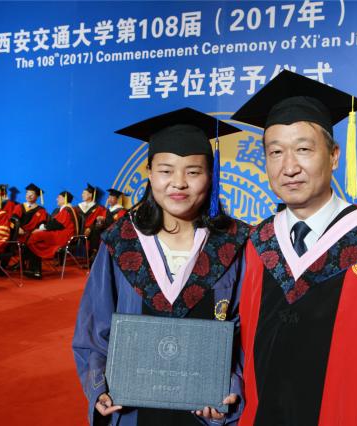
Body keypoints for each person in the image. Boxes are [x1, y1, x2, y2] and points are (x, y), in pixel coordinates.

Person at [231, 70, 357, 425]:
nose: (289, 167)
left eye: (303, 149)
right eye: (276, 152)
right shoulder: (258, 242)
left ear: (334, 156)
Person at [72, 107, 249, 426]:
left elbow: (246, 332)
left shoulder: (234, 243)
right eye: (166, 170)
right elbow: (94, 327)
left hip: (205, 414)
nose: (178, 183)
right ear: (149, 172)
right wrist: (99, 388)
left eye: (193, 172)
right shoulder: (121, 241)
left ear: (211, 175)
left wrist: (230, 388)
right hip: (133, 411)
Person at [24, 190, 78, 279]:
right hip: (63, 233)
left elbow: (58, 224)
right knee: (36, 238)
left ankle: (35, 270)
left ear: (64, 199)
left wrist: (42, 228)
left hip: (64, 236)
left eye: (59, 197)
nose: (57, 199)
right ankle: (34, 269)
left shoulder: (67, 209)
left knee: (36, 236)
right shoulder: (68, 209)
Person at [77, 183, 107, 260]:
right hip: (78, 231)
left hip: (91, 232)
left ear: (90, 195)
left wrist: (90, 228)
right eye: (82, 193)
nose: (82, 195)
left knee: (95, 231)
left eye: (84, 193)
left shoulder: (99, 208)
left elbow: (99, 222)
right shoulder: (77, 207)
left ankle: (92, 254)